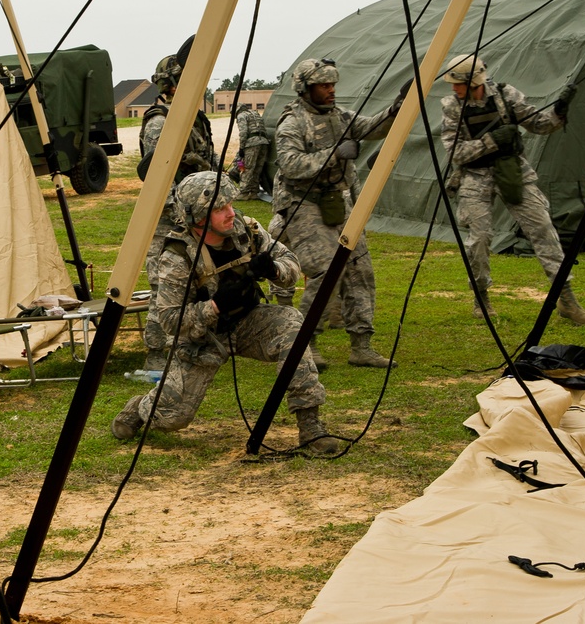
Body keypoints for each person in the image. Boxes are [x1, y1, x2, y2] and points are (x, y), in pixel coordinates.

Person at [112, 171, 337, 454]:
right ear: (198, 218)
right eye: (220, 209)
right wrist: (215, 306)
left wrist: (274, 270)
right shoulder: (176, 258)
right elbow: (170, 321)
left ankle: (310, 426)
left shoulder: (247, 230)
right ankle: (142, 407)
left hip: (248, 324)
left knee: (292, 324)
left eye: (230, 204)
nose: (230, 213)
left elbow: (289, 261)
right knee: (172, 418)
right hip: (202, 338)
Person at [270, 58, 407, 370]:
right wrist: (333, 156)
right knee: (324, 272)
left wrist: (398, 107)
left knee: (360, 270)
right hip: (304, 204)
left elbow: (370, 128)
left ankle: (362, 345)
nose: (331, 90)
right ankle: (307, 343)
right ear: (306, 88)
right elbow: (290, 164)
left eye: (332, 84)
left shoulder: (340, 116)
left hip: (338, 202)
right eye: (323, 85)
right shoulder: (292, 123)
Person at [439, 53, 585, 324]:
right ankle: (482, 296)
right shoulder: (452, 107)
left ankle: (566, 299)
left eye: (457, 83)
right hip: (474, 176)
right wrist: (492, 140)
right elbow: (456, 152)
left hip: (512, 170)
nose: (453, 88)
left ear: (472, 81)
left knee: (543, 228)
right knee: (480, 239)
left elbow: (538, 124)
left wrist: (559, 111)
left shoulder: (505, 95)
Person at [138, 38, 217, 371]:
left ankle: (190, 345)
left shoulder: (196, 120)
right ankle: (157, 354)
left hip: (199, 220)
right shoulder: (160, 124)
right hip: (170, 221)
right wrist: (188, 213)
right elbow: (161, 180)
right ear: (171, 85)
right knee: (164, 288)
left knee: (199, 283)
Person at [232, 104, 270, 201]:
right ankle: (254, 192)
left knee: (247, 168)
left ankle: (243, 192)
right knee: (257, 169)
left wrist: (241, 148)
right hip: (264, 142)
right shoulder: (255, 114)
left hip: (252, 143)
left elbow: (243, 132)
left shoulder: (241, 116)